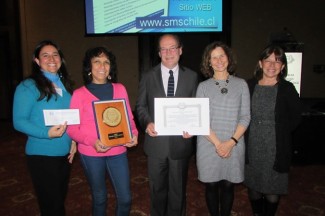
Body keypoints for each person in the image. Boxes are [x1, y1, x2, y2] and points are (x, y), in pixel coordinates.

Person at [67, 47, 138, 216]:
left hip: (118, 150)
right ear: (89, 67)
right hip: (91, 152)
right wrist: (93, 142)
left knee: (126, 198)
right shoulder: (78, 94)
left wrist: (134, 134)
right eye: (97, 61)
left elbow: (129, 118)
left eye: (106, 62)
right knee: (100, 198)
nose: (102, 66)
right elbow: (72, 129)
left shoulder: (120, 88)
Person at [135, 34, 199, 216]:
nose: (168, 52)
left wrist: (193, 128)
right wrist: (147, 122)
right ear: (159, 52)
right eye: (164, 48)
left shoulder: (192, 77)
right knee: (157, 191)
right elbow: (140, 105)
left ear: (180, 50)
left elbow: (196, 108)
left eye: (172, 48)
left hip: (181, 144)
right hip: (156, 145)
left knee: (178, 193)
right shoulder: (148, 76)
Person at [13, 40, 76, 216]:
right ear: (37, 61)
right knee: (52, 206)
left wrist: (73, 140)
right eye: (45, 55)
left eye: (55, 54)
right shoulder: (28, 86)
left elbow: (69, 116)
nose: (51, 59)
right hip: (42, 154)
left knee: (58, 200)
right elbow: (19, 121)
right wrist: (46, 133)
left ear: (61, 59)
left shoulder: (65, 84)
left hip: (64, 154)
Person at [244, 45, 301, 216]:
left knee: (272, 190)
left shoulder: (287, 88)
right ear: (260, 63)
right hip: (252, 143)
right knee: (253, 186)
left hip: (276, 146)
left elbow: (296, 117)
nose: (272, 65)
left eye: (277, 61)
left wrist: (279, 131)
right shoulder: (249, 85)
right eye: (267, 60)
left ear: (283, 66)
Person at [195, 41, 251, 216]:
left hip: (234, 142)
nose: (219, 60)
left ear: (228, 58)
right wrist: (219, 144)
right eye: (214, 57)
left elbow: (245, 116)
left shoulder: (241, 84)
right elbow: (201, 120)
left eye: (222, 56)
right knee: (211, 185)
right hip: (208, 143)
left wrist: (231, 142)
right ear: (208, 62)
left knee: (228, 185)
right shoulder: (203, 87)